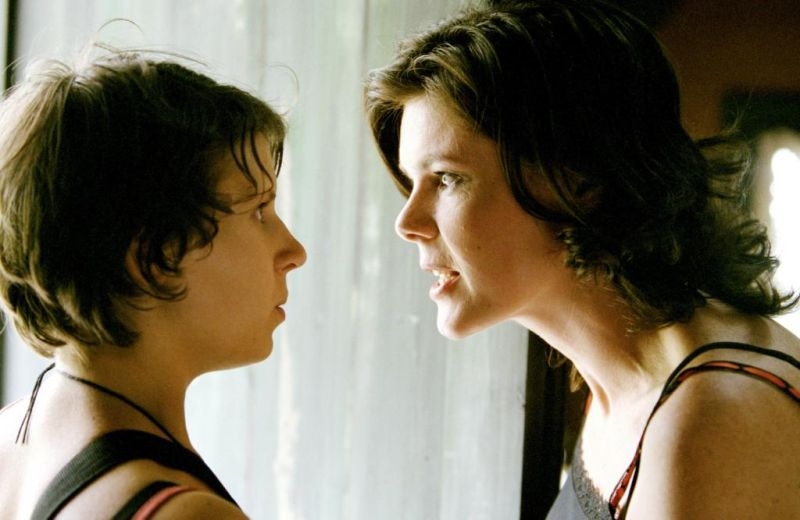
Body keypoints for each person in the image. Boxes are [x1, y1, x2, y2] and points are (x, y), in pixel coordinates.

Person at [365, 0, 800, 518]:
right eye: (412, 182)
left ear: (580, 180)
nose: (407, 221)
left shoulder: (713, 426)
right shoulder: (625, 383)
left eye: (448, 178)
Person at [0, 49, 306, 518]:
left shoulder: (12, 441)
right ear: (156, 256)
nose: (294, 252)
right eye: (260, 211)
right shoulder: (183, 514)